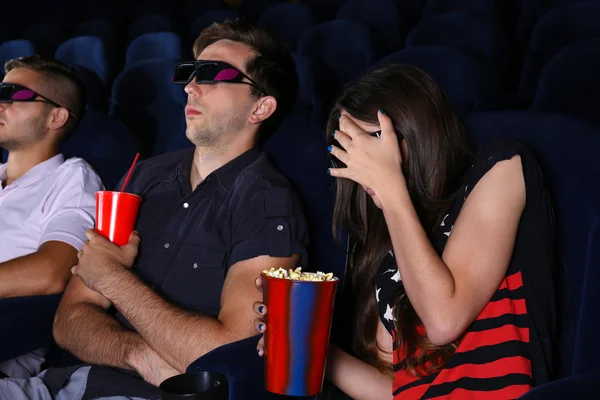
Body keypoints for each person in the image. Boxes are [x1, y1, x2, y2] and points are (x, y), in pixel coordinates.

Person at [0, 20, 308, 399]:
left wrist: (111, 278)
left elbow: (227, 354)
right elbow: (69, 318)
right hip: (65, 382)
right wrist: (140, 355)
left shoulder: (267, 201)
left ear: (260, 107)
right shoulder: (144, 176)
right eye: (190, 74)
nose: (190, 87)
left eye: (214, 75)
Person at [254, 64, 555, 400]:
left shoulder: (501, 166)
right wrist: (308, 342)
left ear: (416, 130)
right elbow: (401, 391)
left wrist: (391, 191)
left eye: (373, 140)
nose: (361, 160)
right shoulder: (388, 244)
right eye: (350, 146)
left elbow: (444, 320)